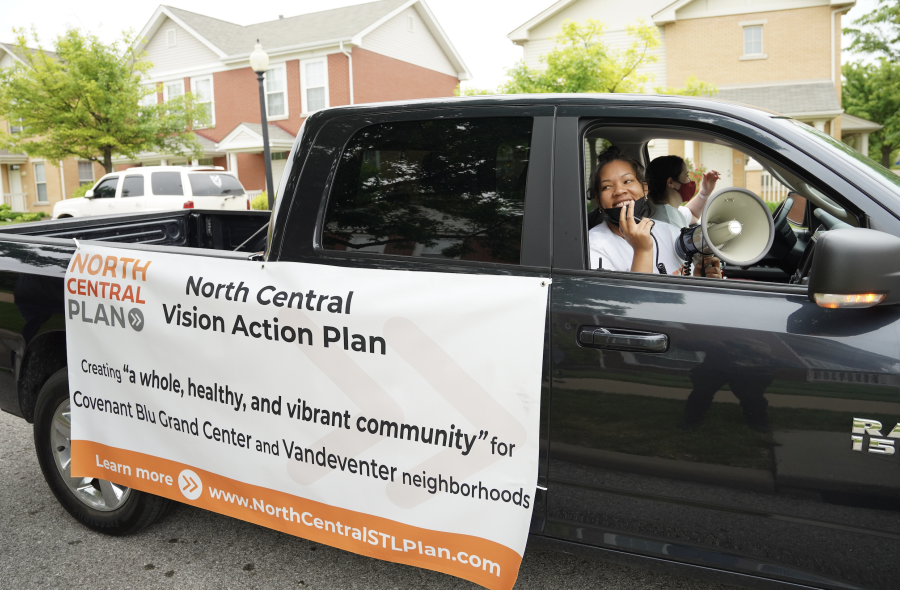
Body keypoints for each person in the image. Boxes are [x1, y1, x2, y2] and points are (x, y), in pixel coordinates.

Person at [587, 147, 722, 277]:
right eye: (607, 186)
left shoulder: (669, 232)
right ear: (598, 201)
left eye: (627, 181)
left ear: (645, 189)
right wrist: (642, 250)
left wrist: (700, 280)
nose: (619, 191)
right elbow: (635, 300)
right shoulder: (594, 248)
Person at [645, 155, 721, 229]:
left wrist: (705, 191)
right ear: (671, 182)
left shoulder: (658, 208)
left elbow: (693, 214)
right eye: (686, 175)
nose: (690, 180)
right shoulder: (671, 222)